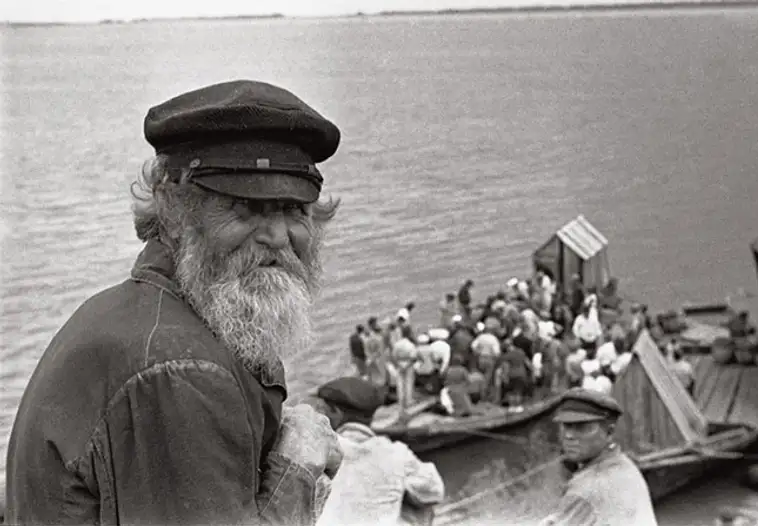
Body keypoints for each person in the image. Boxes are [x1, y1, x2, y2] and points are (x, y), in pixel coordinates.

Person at [5, 80, 345, 525]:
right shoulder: (177, 366)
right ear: (172, 210)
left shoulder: (149, 315)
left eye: (294, 210)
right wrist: (299, 464)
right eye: (245, 208)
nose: (278, 237)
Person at [312, 377, 445, 526]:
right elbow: (435, 491)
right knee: (418, 502)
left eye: (320, 409)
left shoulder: (314, 452)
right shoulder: (395, 453)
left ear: (336, 412)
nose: (317, 415)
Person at [538, 388, 658, 526]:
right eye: (566, 425)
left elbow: (587, 499)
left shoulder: (585, 490)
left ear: (609, 432)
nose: (569, 435)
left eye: (582, 427)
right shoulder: (624, 464)